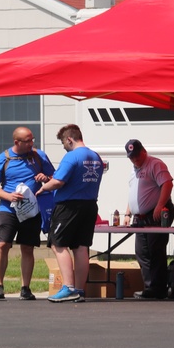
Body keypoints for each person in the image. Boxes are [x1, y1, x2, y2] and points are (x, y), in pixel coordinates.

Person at [36, 124, 104, 303]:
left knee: (58, 244)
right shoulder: (95, 157)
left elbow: (58, 181)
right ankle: (80, 289)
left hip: (69, 206)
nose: (64, 147)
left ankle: (68, 287)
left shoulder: (71, 156)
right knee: (81, 247)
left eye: (63, 143)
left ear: (69, 139)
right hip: (90, 205)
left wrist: (43, 188)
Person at [0, 127, 55, 301]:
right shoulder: (2, 159)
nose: (32, 144)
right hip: (8, 209)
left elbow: (54, 177)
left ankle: (25, 288)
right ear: (17, 142)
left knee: (27, 247)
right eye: (28, 141)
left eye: (33, 140)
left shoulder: (39, 156)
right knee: (3, 244)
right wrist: (8, 196)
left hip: (31, 210)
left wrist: (45, 178)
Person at [123, 139, 174, 299]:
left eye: (137, 156)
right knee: (142, 252)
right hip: (141, 217)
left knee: (155, 251)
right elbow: (134, 193)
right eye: (132, 157)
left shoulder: (154, 164)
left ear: (144, 151)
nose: (135, 159)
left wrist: (159, 205)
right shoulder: (134, 170)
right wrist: (127, 213)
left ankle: (158, 288)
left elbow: (167, 184)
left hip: (157, 212)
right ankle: (150, 287)